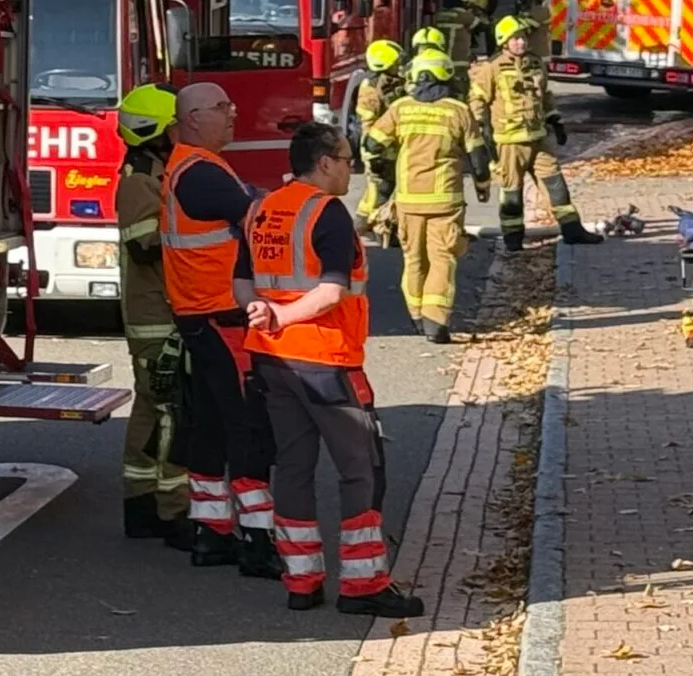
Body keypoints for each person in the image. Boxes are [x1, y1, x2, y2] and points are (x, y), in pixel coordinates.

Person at [241, 122, 425, 618]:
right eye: (346, 160)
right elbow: (330, 291)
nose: (352, 169)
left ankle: (302, 581)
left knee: (294, 468)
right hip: (325, 360)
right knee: (361, 469)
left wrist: (261, 312)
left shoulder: (262, 209)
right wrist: (281, 314)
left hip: (272, 359)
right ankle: (363, 586)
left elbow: (242, 282)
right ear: (324, 162)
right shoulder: (327, 212)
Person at [160, 82, 283, 577]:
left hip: (201, 318)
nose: (232, 114)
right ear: (192, 119)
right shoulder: (200, 173)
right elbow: (259, 216)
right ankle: (256, 541)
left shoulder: (192, 168)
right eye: (220, 108)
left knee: (209, 426)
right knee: (248, 428)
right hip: (221, 318)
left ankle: (212, 535)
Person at [363, 49, 491, 343]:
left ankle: (418, 317)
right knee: (442, 259)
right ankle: (437, 322)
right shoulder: (458, 111)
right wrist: (483, 188)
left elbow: (372, 144)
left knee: (413, 260)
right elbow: (478, 158)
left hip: (409, 201)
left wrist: (382, 170)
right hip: (446, 201)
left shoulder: (401, 108)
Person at [114, 83, 193, 548]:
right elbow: (147, 249)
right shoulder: (141, 180)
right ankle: (169, 510)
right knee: (170, 413)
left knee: (153, 408)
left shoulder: (152, 171)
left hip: (160, 312)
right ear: (159, 130)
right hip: (155, 317)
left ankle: (142, 504)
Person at [470, 17, 604, 252]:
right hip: (509, 143)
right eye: (516, 39)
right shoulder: (492, 68)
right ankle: (513, 239)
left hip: (539, 139)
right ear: (504, 42)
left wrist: (555, 120)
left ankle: (572, 230)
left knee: (556, 185)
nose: (521, 43)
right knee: (512, 193)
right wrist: (481, 129)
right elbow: (477, 100)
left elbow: (545, 96)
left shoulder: (535, 64)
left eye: (523, 38)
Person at [352, 39, 406, 237]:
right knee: (380, 189)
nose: (399, 66)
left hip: (390, 146)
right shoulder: (371, 89)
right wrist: (374, 156)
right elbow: (369, 124)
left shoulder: (392, 83)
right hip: (377, 148)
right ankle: (373, 227)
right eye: (396, 63)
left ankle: (362, 225)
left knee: (381, 188)